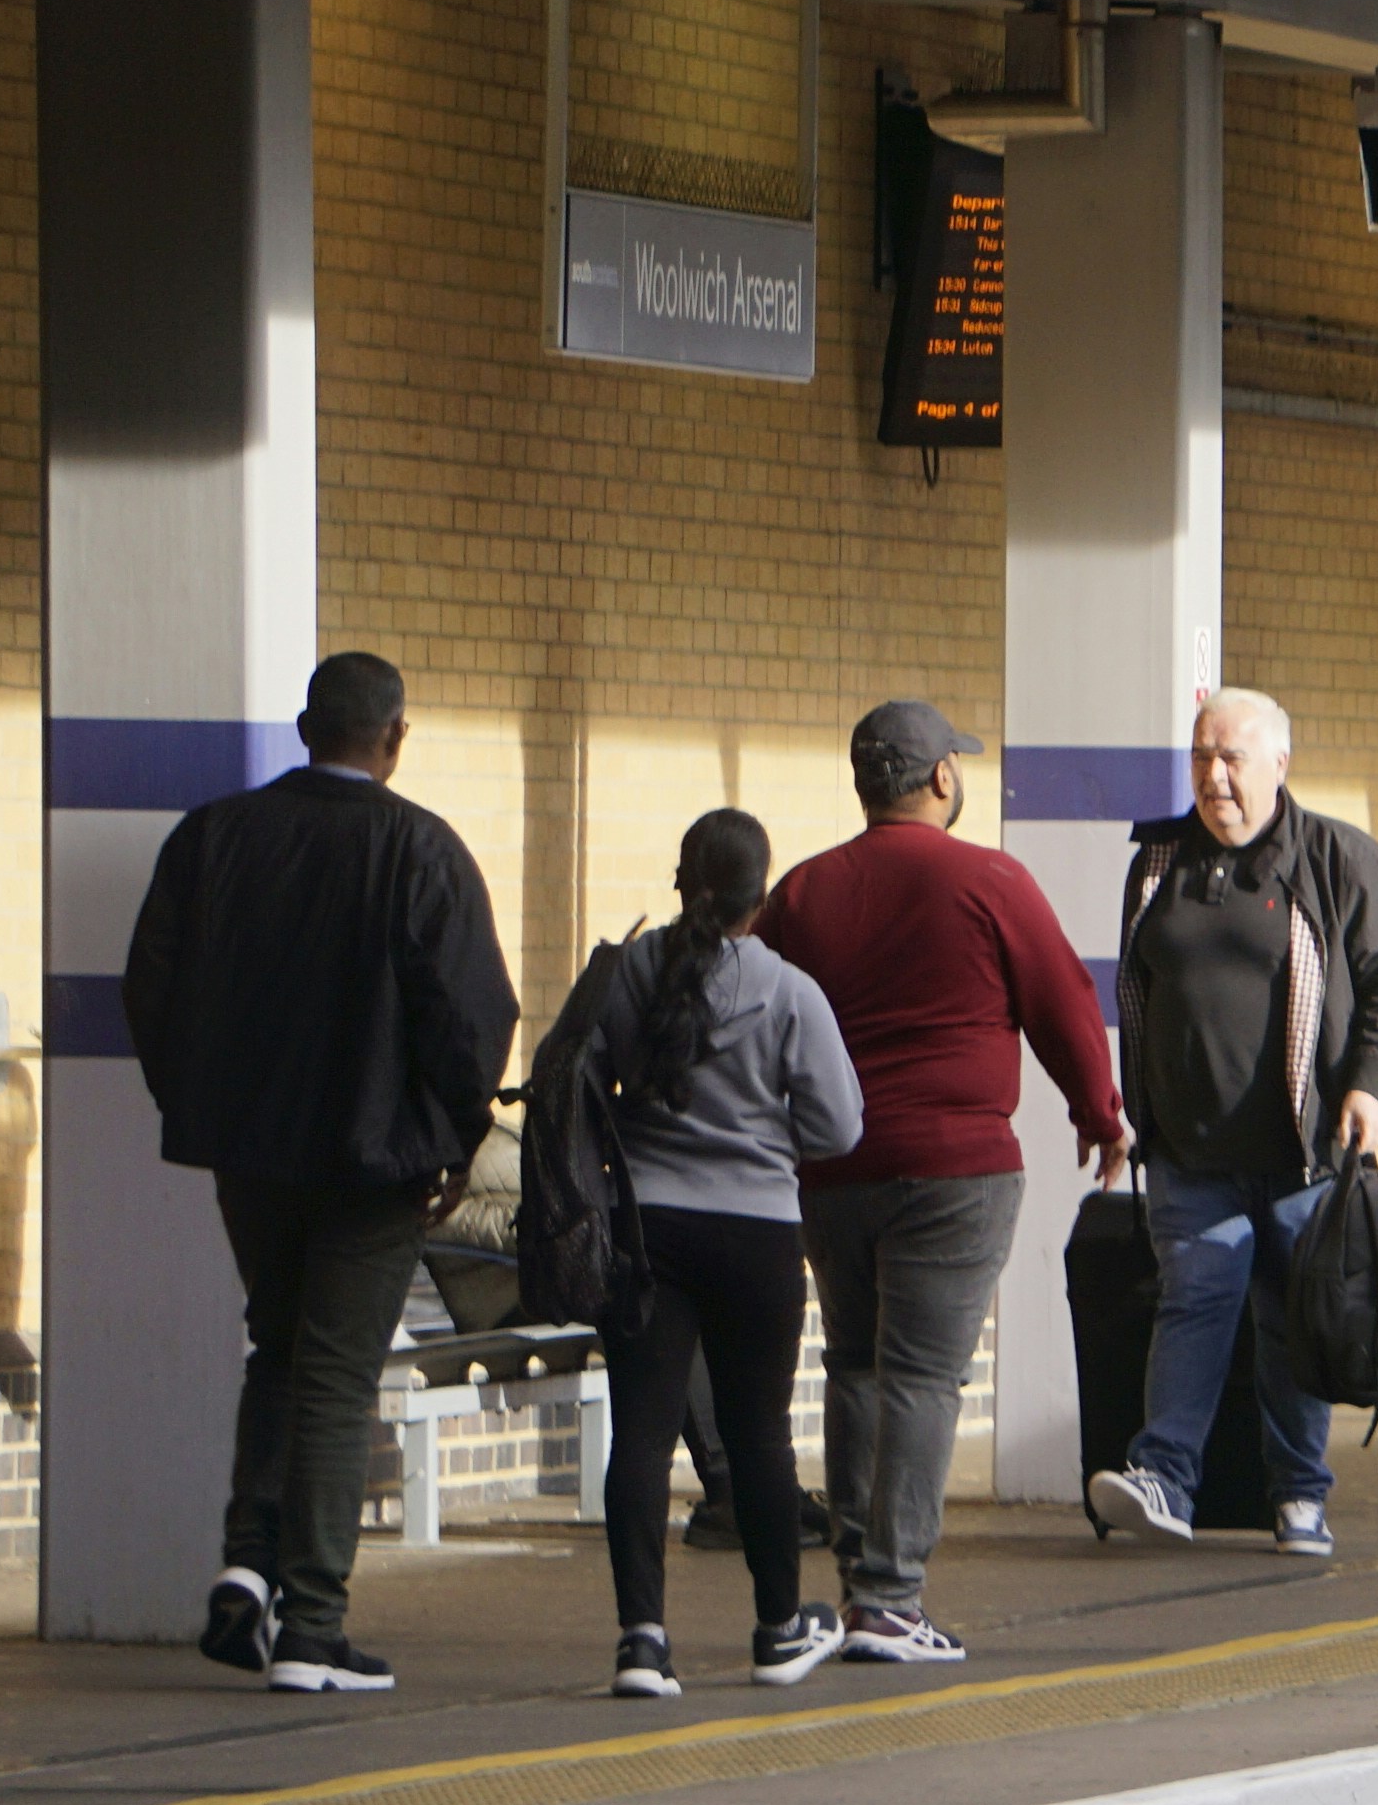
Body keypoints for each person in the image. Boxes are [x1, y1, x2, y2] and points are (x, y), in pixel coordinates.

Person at [121, 648, 519, 1695]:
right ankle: (313, 1625)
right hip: (375, 1161)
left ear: (306, 729)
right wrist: (457, 1133)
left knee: (281, 1347)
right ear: (394, 738)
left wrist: (196, 1103)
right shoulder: (420, 850)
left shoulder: (214, 837)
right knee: (340, 1372)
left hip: (249, 1155)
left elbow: (150, 984)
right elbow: (471, 1017)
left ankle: (248, 1565)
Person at [761, 699, 1129, 1664]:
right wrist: (1100, 1115)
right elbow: (1063, 1003)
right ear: (939, 778)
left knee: (856, 1367)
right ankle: (890, 1599)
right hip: (955, 1168)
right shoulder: (991, 879)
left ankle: (856, 1586)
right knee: (923, 1379)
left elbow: (753, 1008)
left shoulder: (800, 892)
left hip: (833, 1170)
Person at [1088, 686, 1378, 1565]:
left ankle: (1300, 1495)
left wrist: (1370, 1087)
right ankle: (1164, 1476)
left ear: (1280, 764)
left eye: (1232, 758)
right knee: (1192, 1299)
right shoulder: (1158, 861)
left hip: (1304, 1155)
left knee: (1291, 1322)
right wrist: (1130, 1111)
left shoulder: (1337, 860)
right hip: (1190, 1153)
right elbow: (1136, 987)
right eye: (1202, 756)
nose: (1214, 776)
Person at [552, 811, 865, 1696]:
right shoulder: (791, 991)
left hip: (646, 1232)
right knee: (759, 1433)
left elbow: (583, 1084)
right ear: (760, 897)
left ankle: (643, 1643)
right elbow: (840, 1127)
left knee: (643, 1435)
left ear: (680, 880)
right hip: (759, 1235)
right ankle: (776, 1631)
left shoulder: (626, 974)